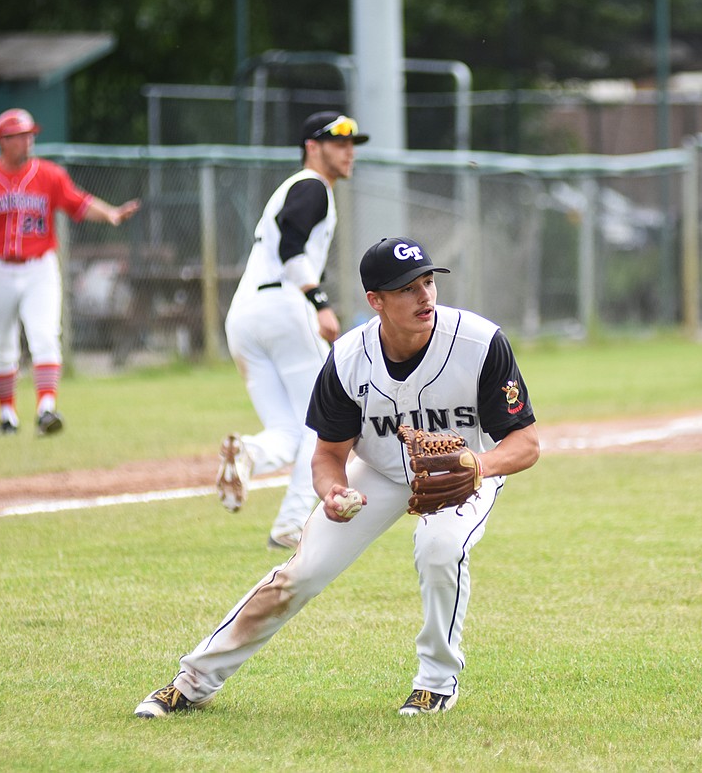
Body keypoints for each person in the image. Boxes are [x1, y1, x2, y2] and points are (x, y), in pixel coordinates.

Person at [136, 236, 540, 718]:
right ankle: (192, 681)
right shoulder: (350, 359)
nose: (425, 296)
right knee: (298, 575)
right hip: (380, 472)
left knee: (439, 548)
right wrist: (332, 491)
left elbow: (526, 444)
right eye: (408, 288)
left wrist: (478, 466)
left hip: (464, 471)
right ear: (376, 301)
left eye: (428, 282)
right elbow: (328, 454)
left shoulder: (477, 342)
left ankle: (436, 682)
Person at [215, 110, 369, 551]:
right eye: (338, 143)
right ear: (312, 147)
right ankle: (290, 525)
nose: (349, 151)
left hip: (244, 314)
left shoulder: (293, 189)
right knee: (326, 424)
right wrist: (317, 300)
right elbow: (290, 241)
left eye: (352, 144)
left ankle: (248, 453)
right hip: (285, 306)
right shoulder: (312, 186)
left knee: (287, 427)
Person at [0, 108, 140, 436]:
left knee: (45, 336)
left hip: (39, 267)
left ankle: (46, 409)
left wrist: (110, 214)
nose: (29, 141)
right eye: (21, 136)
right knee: (1, 344)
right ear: (3, 141)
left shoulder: (48, 174)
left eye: (30, 134)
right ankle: (7, 415)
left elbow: (78, 202)